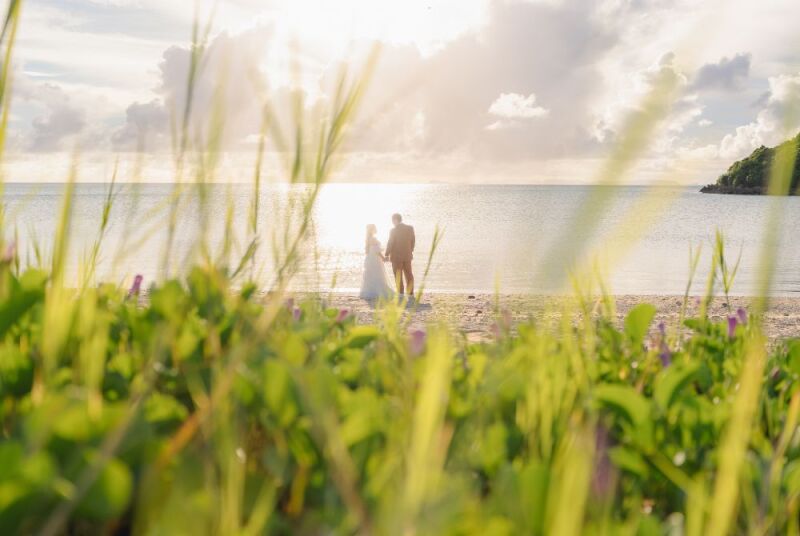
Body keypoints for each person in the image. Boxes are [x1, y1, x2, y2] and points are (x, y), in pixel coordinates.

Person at [358, 224, 394, 300]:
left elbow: (371, 250)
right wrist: (383, 258)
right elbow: (376, 251)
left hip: (370, 258)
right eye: (374, 228)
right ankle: (377, 291)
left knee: (372, 275)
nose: (376, 229)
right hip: (374, 259)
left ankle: (370, 290)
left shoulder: (368, 238)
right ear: (372, 230)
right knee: (377, 274)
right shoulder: (373, 239)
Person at [385, 213, 415, 298]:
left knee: (398, 275)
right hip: (407, 256)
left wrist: (387, 254)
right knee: (409, 274)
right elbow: (413, 241)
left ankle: (401, 294)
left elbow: (390, 243)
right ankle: (410, 293)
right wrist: (410, 250)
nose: (392, 222)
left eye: (392, 220)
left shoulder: (393, 230)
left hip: (396, 257)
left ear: (395, 220)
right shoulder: (410, 228)